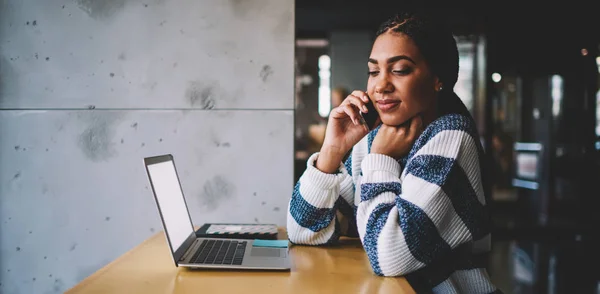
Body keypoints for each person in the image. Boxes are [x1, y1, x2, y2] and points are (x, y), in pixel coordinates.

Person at [286, 10, 501, 293]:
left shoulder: (451, 137)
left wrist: (382, 160)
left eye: (399, 70)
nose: (381, 85)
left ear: (438, 78)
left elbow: (390, 255)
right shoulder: (376, 138)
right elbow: (304, 231)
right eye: (374, 71)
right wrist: (332, 151)